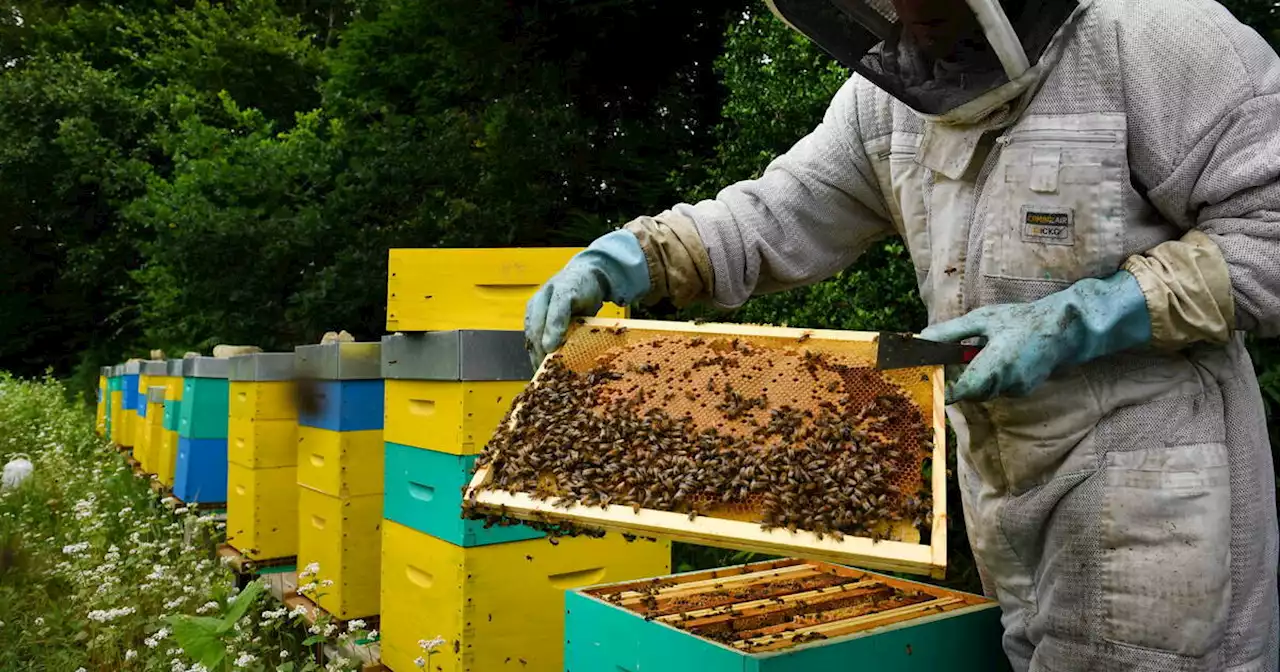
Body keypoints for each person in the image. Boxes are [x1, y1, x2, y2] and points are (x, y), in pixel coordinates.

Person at [524, 0, 1280, 669]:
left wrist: (1082, 318)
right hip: (1002, 497)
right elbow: (777, 211)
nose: (906, 10)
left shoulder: (1157, 40)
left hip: (1160, 507)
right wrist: (643, 255)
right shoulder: (887, 102)